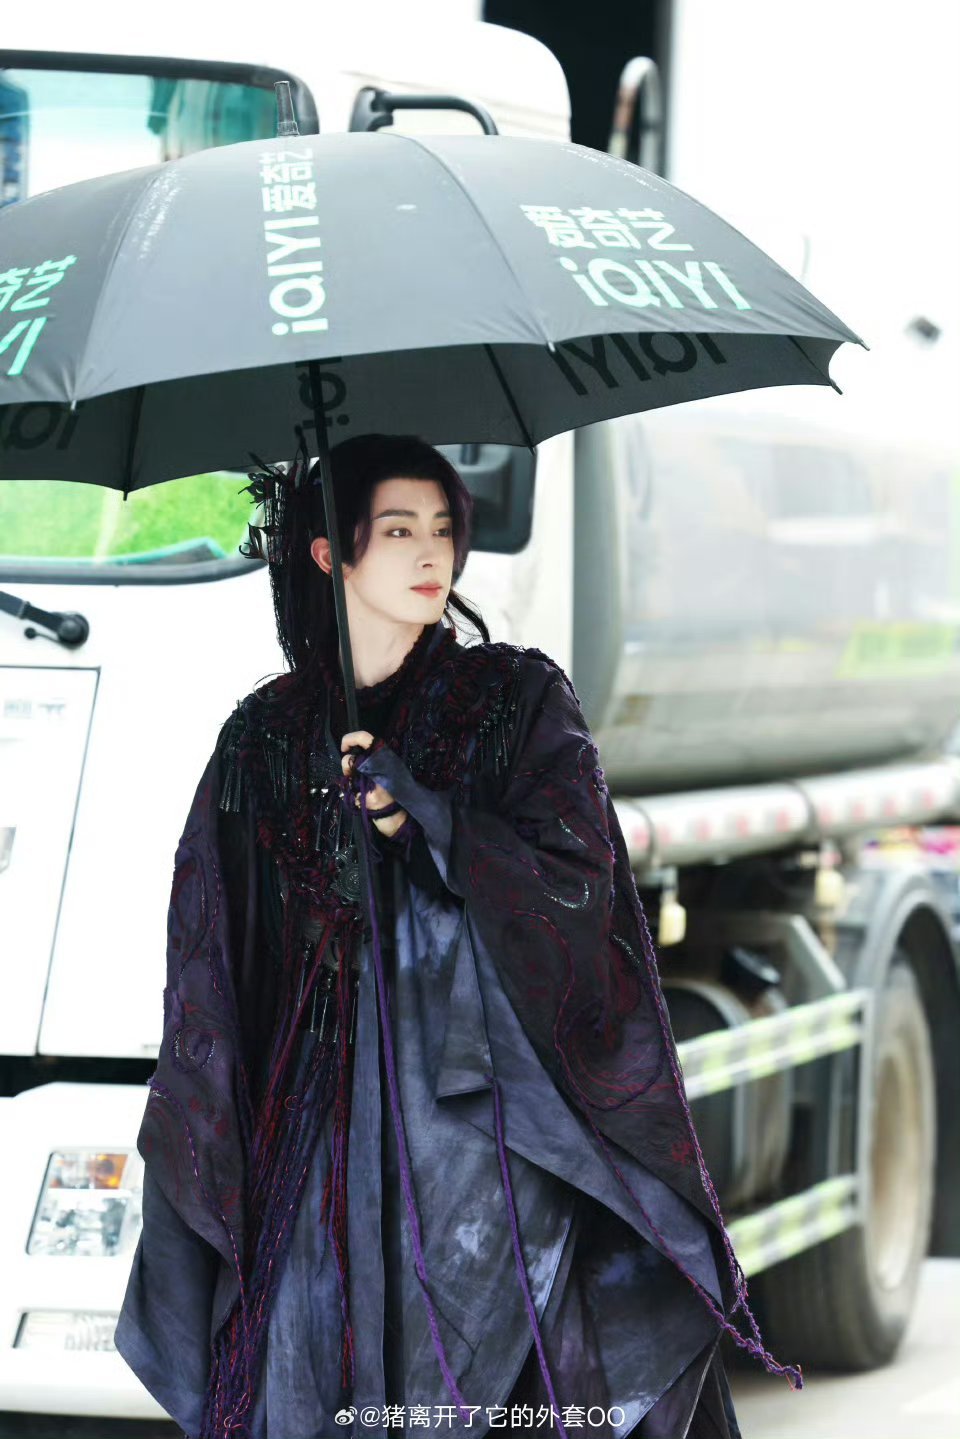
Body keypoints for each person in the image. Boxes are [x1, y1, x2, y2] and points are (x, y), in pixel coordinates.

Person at [115, 434, 801, 1439]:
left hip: (484, 1123)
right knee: (312, 1369)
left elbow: (582, 886)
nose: (430, 552)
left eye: (442, 527)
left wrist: (435, 823)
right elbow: (213, 946)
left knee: (499, 1380)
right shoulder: (265, 734)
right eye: (398, 530)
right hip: (314, 1130)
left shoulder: (517, 701)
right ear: (330, 552)